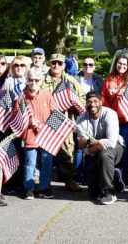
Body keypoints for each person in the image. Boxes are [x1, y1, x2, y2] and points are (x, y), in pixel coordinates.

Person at [42, 53, 85, 192]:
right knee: (46, 152)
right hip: (48, 121)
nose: (56, 66)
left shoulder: (71, 81)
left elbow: (82, 98)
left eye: (59, 63)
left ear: (64, 66)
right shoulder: (42, 80)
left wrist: (75, 104)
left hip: (65, 121)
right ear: (50, 63)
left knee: (67, 151)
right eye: (54, 62)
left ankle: (69, 180)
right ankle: (45, 181)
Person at [14, 67, 56, 200]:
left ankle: (44, 187)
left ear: (41, 80)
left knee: (47, 162)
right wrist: (27, 121)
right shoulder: (21, 98)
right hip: (30, 136)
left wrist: (44, 126)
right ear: (26, 80)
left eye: (37, 80)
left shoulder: (48, 96)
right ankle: (29, 188)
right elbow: (16, 118)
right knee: (29, 163)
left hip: (46, 136)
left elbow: (55, 116)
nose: (33, 83)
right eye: (31, 79)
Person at [76, 91, 124, 204]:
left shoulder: (110, 114)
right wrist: (91, 143)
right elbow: (83, 148)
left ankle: (109, 191)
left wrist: (93, 143)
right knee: (93, 194)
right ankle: (114, 174)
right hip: (94, 151)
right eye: (89, 102)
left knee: (104, 155)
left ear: (101, 102)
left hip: (116, 147)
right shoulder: (80, 120)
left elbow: (111, 142)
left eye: (95, 101)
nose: (92, 104)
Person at [101, 53, 128, 186]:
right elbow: (103, 97)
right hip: (111, 120)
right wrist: (110, 113)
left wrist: (118, 94)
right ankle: (112, 175)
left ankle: (125, 177)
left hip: (126, 121)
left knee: (125, 148)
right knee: (111, 146)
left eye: (125, 64)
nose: (121, 66)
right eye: (119, 63)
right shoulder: (109, 78)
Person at [74, 57, 103, 183]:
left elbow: (101, 98)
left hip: (93, 115)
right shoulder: (75, 79)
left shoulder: (98, 80)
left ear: (94, 66)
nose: (88, 67)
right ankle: (78, 175)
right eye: (85, 64)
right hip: (78, 115)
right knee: (79, 145)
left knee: (90, 144)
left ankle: (87, 175)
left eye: (91, 65)